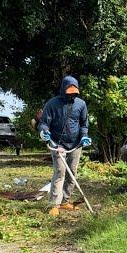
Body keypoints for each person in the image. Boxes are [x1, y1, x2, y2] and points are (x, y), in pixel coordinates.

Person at [38, 76, 91, 217]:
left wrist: (84, 136)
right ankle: (54, 204)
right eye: (69, 92)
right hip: (57, 143)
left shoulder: (81, 104)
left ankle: (65, 201)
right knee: (60, 172)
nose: (71, 95)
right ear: (63, 90)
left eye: (74, 93)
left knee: (72, 172)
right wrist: (44, 133)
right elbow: (43, 123)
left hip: (75, 144)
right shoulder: (52, 104)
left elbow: (84, 124)